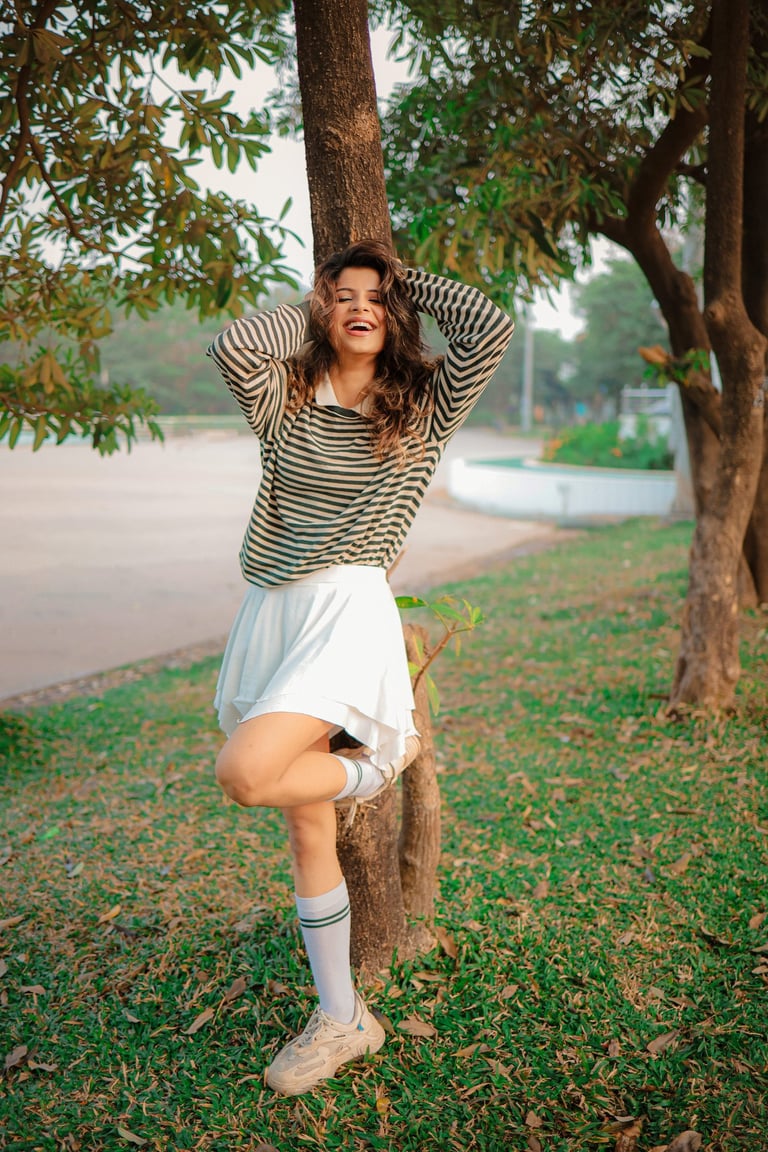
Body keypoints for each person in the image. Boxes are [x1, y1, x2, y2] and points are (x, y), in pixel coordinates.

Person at [207, 239, 513, 1095]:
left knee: (245, 773)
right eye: (343, 296)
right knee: (306, 828)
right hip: (273, 609)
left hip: (346, 607)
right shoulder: (285, 396)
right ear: (320, 308)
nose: (360, 308)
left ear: (396, 311)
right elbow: (234, 345)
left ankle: (378, 768)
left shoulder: (422, 404)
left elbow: (489, 328)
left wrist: (398, 277)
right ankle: (341, 1017)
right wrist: (322, 301)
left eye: (375, 299)